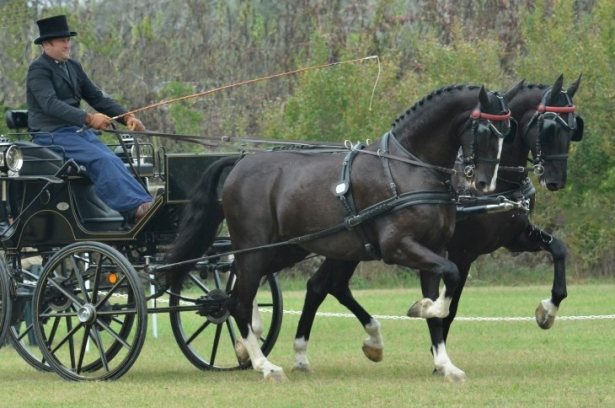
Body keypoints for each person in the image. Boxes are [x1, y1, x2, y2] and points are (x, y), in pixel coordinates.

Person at [26, 15, 154, 225]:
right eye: (62, 41)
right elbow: (50, 104)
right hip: (51, 135)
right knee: (102, 159)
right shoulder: (38, 70)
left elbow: (97, 98)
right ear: (47, 44)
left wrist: (127, 117)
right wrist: (88, 118)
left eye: (68, 40)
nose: (67, 45)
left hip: (76, 133)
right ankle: (135, 209)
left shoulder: (73, 67)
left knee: (114, 158)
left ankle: (143, 205)